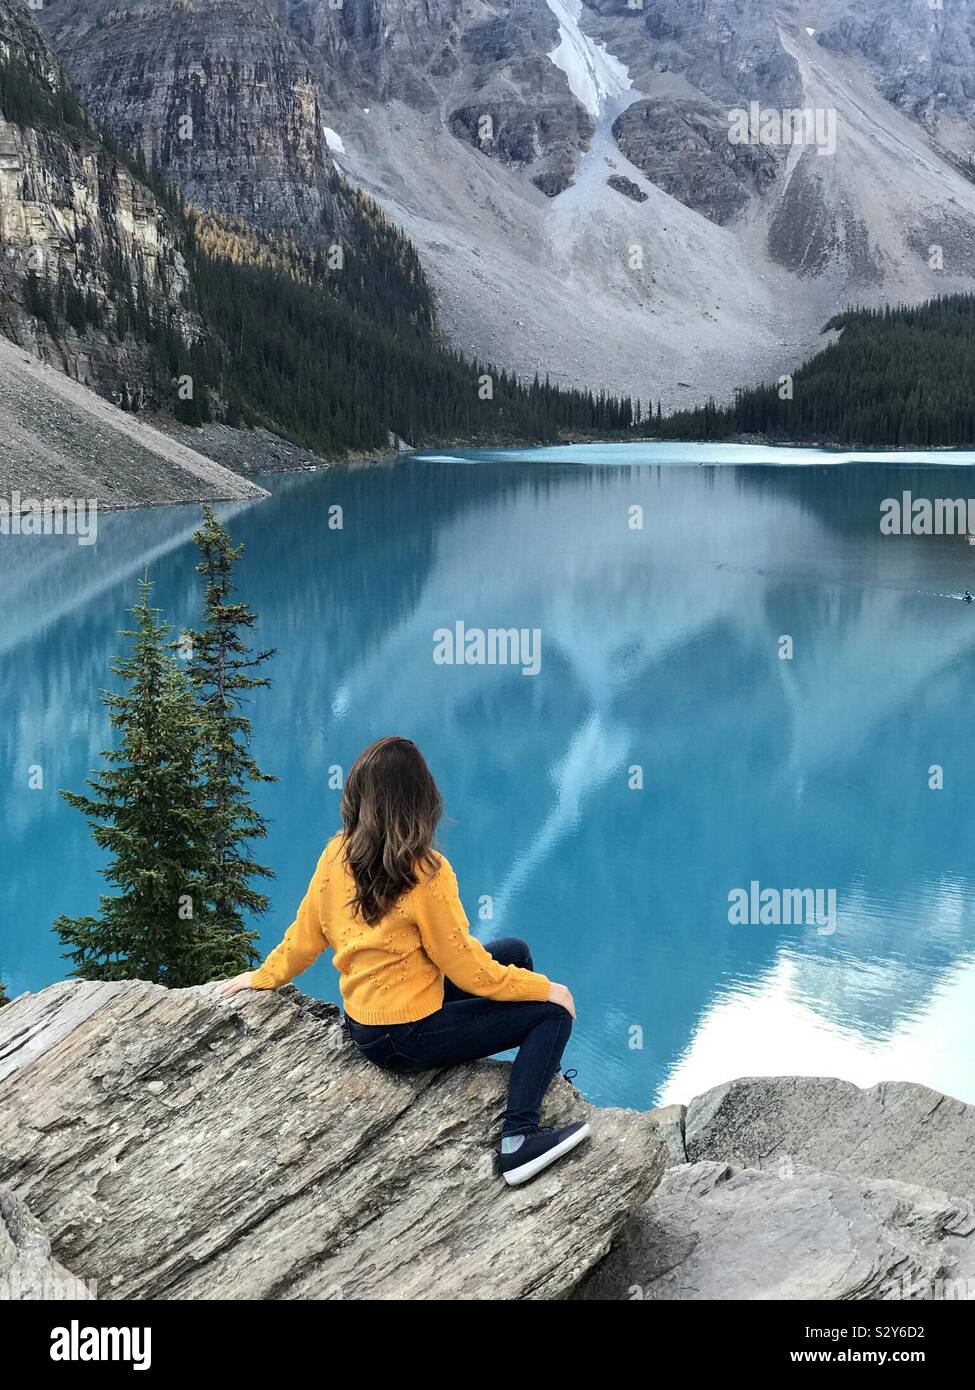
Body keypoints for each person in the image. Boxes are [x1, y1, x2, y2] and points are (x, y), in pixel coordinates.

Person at [217, 735, 589, 1186]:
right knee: (553, 1013)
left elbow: (304, 938)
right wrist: (549, 992)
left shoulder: (337, 852)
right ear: (421, 801)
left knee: (514, 951)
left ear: (359, 797)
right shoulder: (426, 872)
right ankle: (518, 1140)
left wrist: (263, 976)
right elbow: (468, 969)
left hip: (367, 1025)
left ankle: (530, 1075)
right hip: (407, 1038)